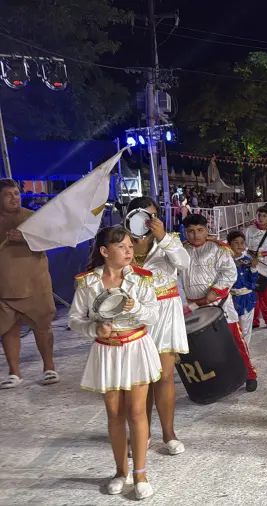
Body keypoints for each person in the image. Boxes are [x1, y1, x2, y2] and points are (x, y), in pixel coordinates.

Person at [68, 226, 161, 499]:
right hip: (106, 351)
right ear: (105, 251)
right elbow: (74, 319)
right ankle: (120, 471)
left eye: (131, 246)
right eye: (122, 247)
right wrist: (94, 330)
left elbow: (154, 315)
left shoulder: (142, 280)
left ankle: (140, 473)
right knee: (114, 414)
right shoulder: (87, 283)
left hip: (135, 346)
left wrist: (138, 308)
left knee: (137, 412)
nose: (129, 251)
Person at [126, 197, 189, 455]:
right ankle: (143, 434)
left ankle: (169, 433)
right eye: (140, 216)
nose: (147, 222)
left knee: (164, 377)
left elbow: (184, 263)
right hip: (133, 316)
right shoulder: (122, 242)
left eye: (151, 216)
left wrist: (163, 237)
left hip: (166, 311)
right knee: (139, 380)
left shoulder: (168, 242)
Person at [181, 214, 258, 392]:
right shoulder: (181, 251)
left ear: (207, 230)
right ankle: (218, 377)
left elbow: (229, 273)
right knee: (205, 345)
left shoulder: (218, 249)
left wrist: (215, 290)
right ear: (185, 233)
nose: (195, 235)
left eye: (200, 230)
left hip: (220, 304)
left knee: (234, 339)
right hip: (195, 308)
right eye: (191, 231)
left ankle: (250, 373)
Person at [0, 179, 58, 389]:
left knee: (43, 327)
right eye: (8, 194)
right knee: (8, 330)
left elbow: (50, 240)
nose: (14, 198)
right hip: (4, 287)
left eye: (16, 193)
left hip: (35, 285)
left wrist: (25, 237)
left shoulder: (31, 218)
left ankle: (49, 367)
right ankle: (14, 372)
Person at [227, 231, 259, 347]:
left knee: (245, 328)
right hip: (230, 299)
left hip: (247, 299)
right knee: (232, 327)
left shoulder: (248, 260)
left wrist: (253, 267)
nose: (240, 245)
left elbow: (253, 279)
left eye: (242, 243)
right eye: (236, 243)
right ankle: (235, 351)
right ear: (229, 244)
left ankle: (245, 353)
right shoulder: (226, 260)